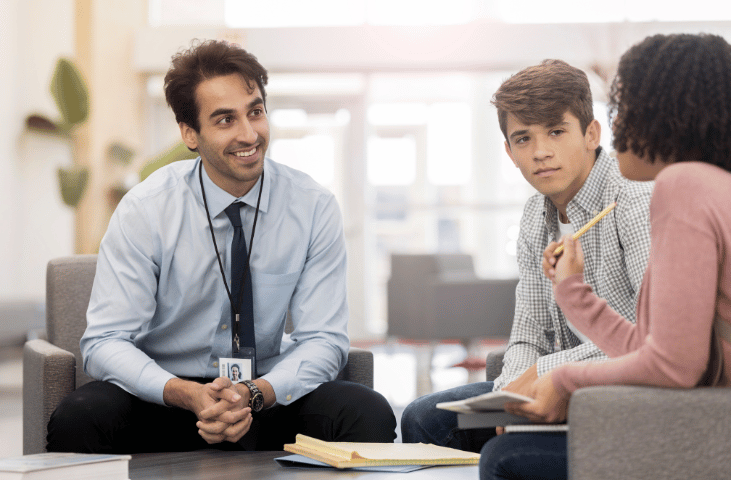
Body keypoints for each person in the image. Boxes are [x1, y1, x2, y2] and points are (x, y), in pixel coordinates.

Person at [46, 39, 396, 453]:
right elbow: (104, 342)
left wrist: (254, 394)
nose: (249, 134)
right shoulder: (146, 208)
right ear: (190, 134)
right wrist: (186, 394)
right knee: (79, 419)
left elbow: (324, 338)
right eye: (225, 120)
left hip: (265, 396)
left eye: (256, 111)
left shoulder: (312, 206)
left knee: (366, 412)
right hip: (167, 396)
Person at [480, 32, 731, 480]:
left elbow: (675, 365)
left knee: (505, 459)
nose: (614, 125)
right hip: (700, 407)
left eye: (623, 105)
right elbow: (655, 346)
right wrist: (573, 293)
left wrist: (561, 378)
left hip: (707, 421)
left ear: (665, 116)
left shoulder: (683, 189)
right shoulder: (705, 184)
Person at [401, 59, 653, 452]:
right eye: (523, 139)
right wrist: (508, 397)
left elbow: (650, 337)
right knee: (423, 417)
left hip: (627, 387)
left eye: (556, 131)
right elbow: (528, 335)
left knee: (503, 452)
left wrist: (545, 372)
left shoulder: (633, 199)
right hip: (555, 387)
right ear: (509, 151)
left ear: (591, 133)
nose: (540, 152)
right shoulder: (535, 217)